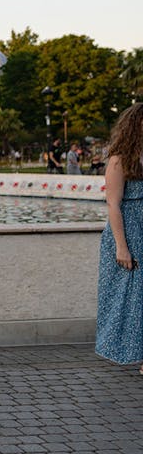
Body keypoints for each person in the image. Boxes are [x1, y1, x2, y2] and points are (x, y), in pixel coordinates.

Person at [95, 104, 143, 370]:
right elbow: (113, 203)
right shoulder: (119, 159)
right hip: (131, 229)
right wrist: (121, 247)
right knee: (132, 296)